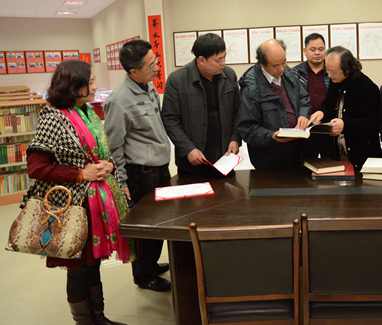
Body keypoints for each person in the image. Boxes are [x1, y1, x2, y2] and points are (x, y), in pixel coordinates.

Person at [22, 60, 132, 325]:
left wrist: (107, 165)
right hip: (72, 209)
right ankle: (85, 321)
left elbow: (96, 153)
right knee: (78, 269)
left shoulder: (88, 113)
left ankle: (99, 318)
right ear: (72, 86)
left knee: (93, 265)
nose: (95, 87)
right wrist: (81, 174)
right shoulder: (53, 117)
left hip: (95, 206)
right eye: (90, 82)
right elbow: (36, 168)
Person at [104, 40, 171, 292]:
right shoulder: (119, 100)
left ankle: (150, 264)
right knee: (145, 226)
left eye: (156, 61)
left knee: (160, 221)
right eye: (151, 65)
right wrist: (122, 182)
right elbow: (114, 146)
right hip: (140, 173)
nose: (157, 68)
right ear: (133, 71)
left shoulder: (148, 85)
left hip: (160, 167)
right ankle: (144, 276)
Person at [161, 33, 241, 175]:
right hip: (192, 160)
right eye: (218, 60)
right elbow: (170, 119)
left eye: (224, 57)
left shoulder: (229, 75)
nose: (223, 63)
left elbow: (238, 111)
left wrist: (235, 139)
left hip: (225, 158)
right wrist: (188, 149)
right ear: (202, 60)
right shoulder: (177, 80)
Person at [237, 39, 310, 169]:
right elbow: (247, 128)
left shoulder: (287, 73)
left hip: (296, 151)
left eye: (284, 62)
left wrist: (303, 115)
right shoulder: (251, 88)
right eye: (276, 65)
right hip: (269, 158)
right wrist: (272, 136)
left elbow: (303, 98)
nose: (281, 68)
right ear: (262, 64)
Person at [309, 46, 381, 170]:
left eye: (333, 72)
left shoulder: (367, 88)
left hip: (362, 156)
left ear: (347, 70)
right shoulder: (335, 81)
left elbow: (373, 123)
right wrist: (321, 112)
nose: (329, 75)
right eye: (327, 70)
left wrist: (345, 125)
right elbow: (328, 104)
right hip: (338, 153)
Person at [292, 33, 335, 160]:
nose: (317, 53)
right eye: (313, 49)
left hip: (330, 129)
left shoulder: (333, 71)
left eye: (321, 49)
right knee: (305, 166)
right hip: (305, 130)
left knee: (332, 165)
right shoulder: (294, 73)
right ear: (305, 51)